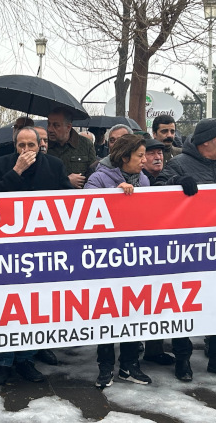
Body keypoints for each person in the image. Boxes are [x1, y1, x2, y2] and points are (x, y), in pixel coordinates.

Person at [156, 118, 216, 381]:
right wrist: (175, 182)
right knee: (183, 303)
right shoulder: (179, 164)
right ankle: (182, 359)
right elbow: (155, 191)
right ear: (206, 141)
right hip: (186, 248)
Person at [0, 127, 71, 384]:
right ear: (15, 146)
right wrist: (16, 172)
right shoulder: (1, 165)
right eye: (21, 145)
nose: (26, 150)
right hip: (6, 249)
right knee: (7, 307)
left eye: (30, 145)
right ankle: (3, 362)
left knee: (34, 307)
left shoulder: (54, 165)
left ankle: (26, 359)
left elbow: (70, 201)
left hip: (41, 249)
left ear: (40, 145)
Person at [85, 134, 154, 388]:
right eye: (140, 156)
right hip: (106, 257)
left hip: (134, 256)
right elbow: (86, 209)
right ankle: (105, 367)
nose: (145, 160)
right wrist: (113, 197)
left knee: (133, 311)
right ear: (125, 158)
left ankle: (129, 365)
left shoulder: (144, 180)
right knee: (107, 312)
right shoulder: (99, 178)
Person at [47, 107, 97, 189]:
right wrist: (65, 181)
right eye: (49, 124)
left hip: (79, 195)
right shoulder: (43, 144)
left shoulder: (85, 144)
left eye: (56, 125)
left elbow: (93, 175)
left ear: (68, 127)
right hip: (49, 195)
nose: (50, 129)